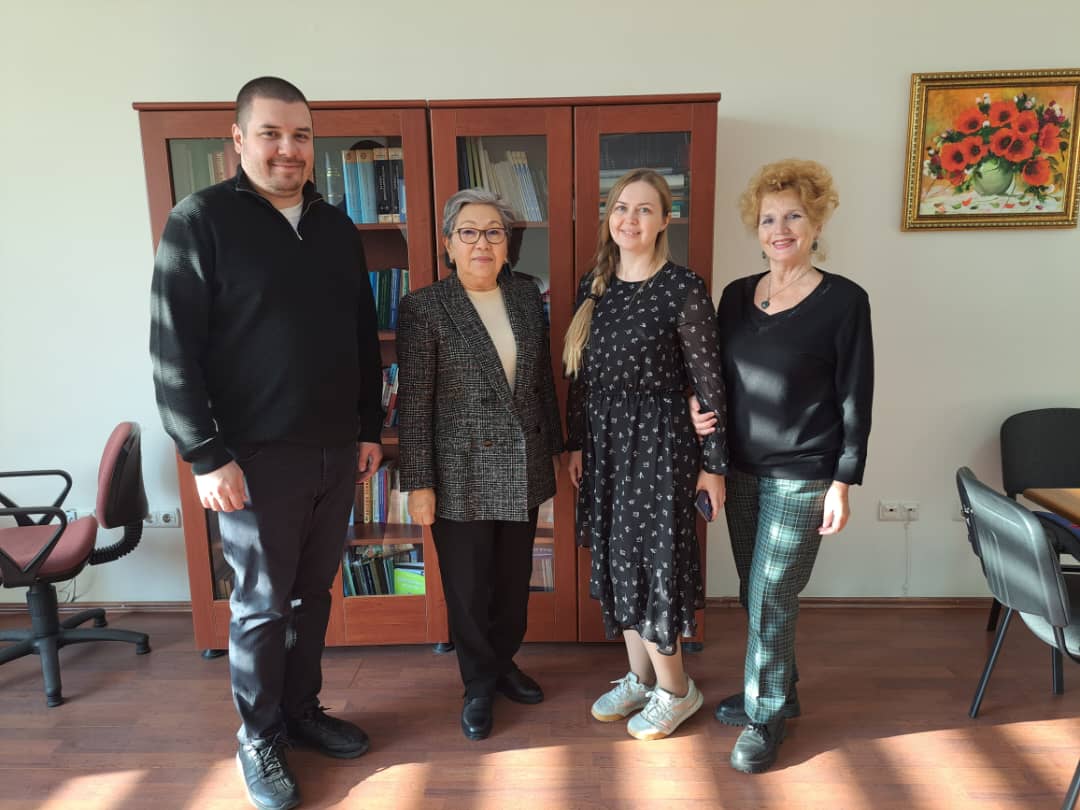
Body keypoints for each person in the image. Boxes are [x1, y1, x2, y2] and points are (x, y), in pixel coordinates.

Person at [150, 76, 382, 810]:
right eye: (272, 133)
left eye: (301, 135)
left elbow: (361, 336)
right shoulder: (200, 221)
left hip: (335, 452)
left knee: (313, 594)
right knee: (259, 606)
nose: (289, 148)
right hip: (250, 461)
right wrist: (204, 454)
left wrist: (368, 429)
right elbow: (172, 351)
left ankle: (301, 711)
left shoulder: (336, 227)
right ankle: (259, 736)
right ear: (239, 140)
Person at [691, 158, 873, 774]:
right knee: (755, 590)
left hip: (805, 472)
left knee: (772, 593)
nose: (781, 229)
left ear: (816, 222)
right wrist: (696, 414)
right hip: (741, 468)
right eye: (769, 219)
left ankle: (764, 715)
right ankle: (780, 690)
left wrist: (844, 479)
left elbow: (855, 395)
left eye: (794, 216)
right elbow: (713, 378)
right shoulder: (735, 296)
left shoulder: (844, 300)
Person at [563, 168, 728, 742]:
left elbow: (709, 383)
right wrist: (576, 441)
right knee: (617, 559)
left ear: (664, 220)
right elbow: (580, 377)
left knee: (653, 564)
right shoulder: (595, 285)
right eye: (620, 208)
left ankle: (677, 690)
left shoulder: (683, 288)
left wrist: (713, 466)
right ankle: (640, 677)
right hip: (604, 447)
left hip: (659, 446)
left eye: (644, 209)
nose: (629, 219)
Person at [396, 188, 563, 741]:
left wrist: (557, 449)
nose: (482, 243)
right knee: (468, 589)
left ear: (508, 245)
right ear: (449, 244)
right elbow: (415, 403)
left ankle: (503, 663)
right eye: (469, 232)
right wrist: (419, 482)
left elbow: (541, 383)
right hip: (458, 472)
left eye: (494, 232)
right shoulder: (424, 307)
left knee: (512, 585)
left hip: (522, 465)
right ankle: (477, 684)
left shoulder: (525, 297)